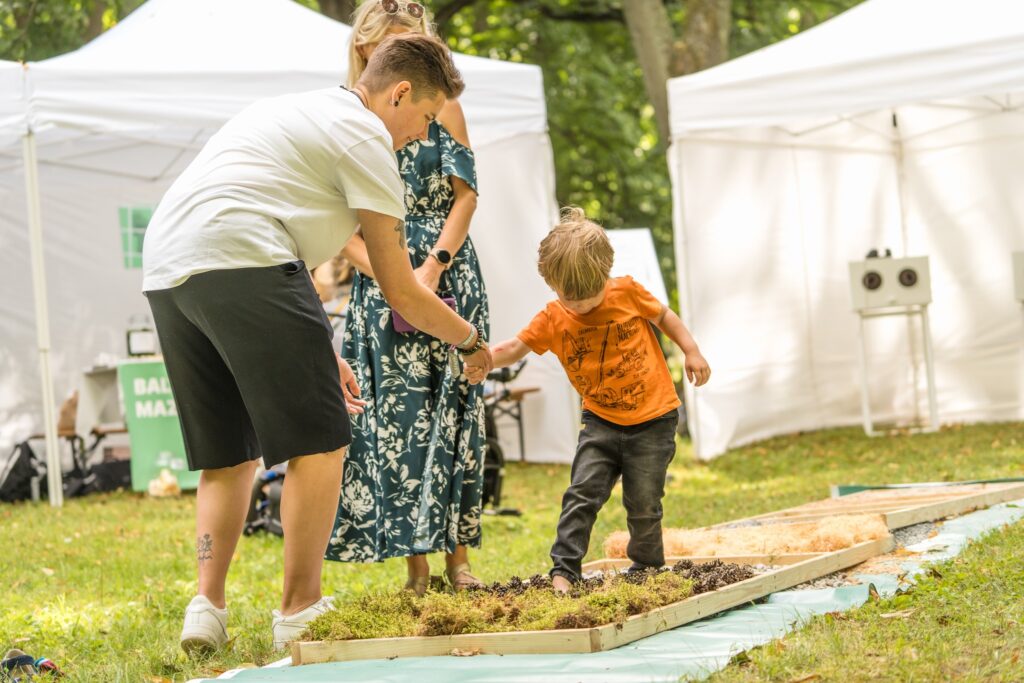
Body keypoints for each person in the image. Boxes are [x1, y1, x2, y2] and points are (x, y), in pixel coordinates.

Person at [141, 33, 492, 654]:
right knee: (324, 437)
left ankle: (206, 607)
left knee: (229, 452)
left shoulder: (295, 110)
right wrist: (470, 342)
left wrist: (321, 346)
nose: (425, 134)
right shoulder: (369, 141)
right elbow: (402, 292)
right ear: (399, 93)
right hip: (246, 256)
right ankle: (299, 607)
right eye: (427, 116)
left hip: (171, 268)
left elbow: (280, 232)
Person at [324, 0, 491, 596]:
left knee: (455, 411)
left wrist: (433, 266)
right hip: (381, 281)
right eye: (398, 43)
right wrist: (392, 276)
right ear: (367, 50)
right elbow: (337, 224)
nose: (411, 53)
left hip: (449, 270)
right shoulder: (345, 117)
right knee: (398, 422)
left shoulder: (445, 105)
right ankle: (415, 566)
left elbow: (466, 194)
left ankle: (458, 559)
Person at [471, 208, 710, 592]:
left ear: (605, 273)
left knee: (643, 502)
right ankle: (564, 571)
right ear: (552, 284)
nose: (581, 305)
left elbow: (665, 317)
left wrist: (691, 350)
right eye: (571, 298)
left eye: (590, 296)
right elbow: (515, 347)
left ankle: (646, 568)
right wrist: (483, 359)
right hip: (600, 422)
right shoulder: (553, 317)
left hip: (654, 419)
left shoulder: (628, 292)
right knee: (581, 495)